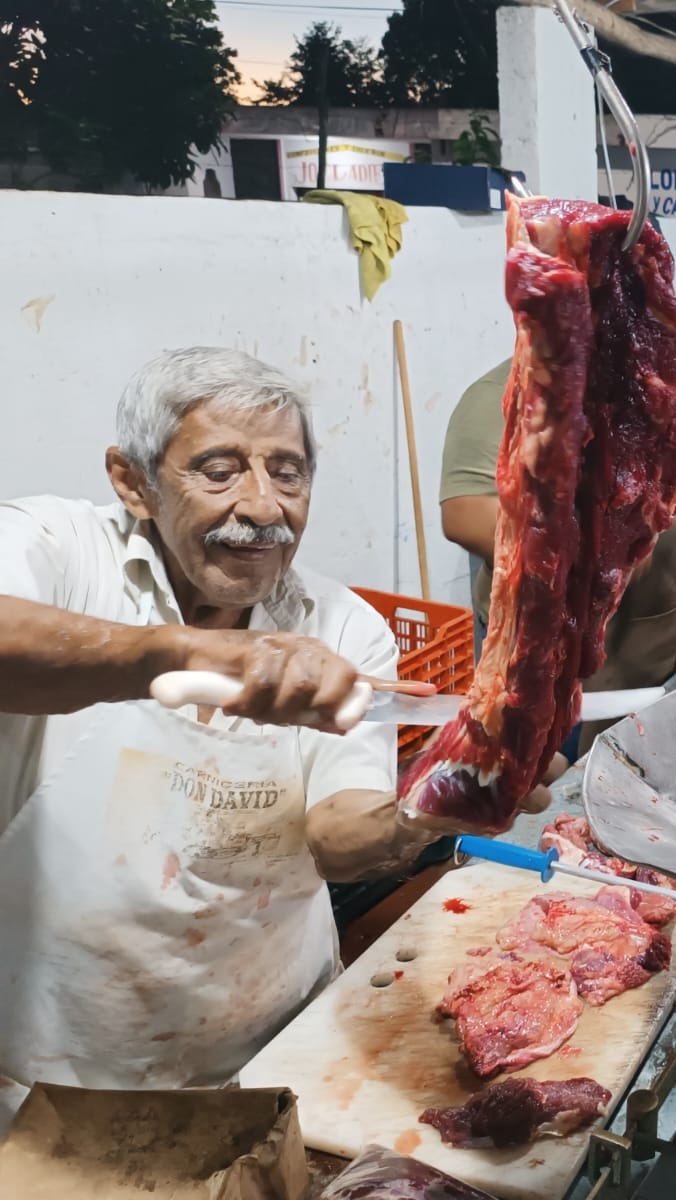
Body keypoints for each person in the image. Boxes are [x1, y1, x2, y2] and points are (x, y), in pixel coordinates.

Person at [0, 348, 558, 1129]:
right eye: (220, 470)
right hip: (60, 1074)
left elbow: (336, 837)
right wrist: (186, 654)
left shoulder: (339, 625)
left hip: (275, 1054)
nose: (263, 507)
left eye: (288, 473)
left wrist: (431, 808)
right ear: (134, 482)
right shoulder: (63, 550)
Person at [439, 359, 676, 751]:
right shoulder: (499, 396)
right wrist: (602, 553)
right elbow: (466, 515)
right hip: (581, 667)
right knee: (569, 785)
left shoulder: (638, 376)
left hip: (674, 644)